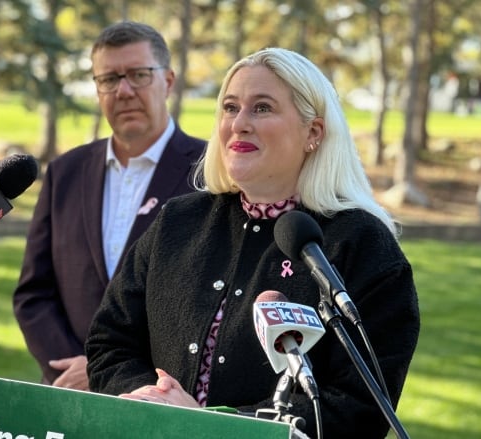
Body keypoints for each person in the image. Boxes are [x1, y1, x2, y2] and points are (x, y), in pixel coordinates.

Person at [85, 47, 420, 438]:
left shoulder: (362, 245)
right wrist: (151, 403)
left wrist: (212, 428)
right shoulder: (178, 222)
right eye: (230, 108)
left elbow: (359, 405)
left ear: (313, 132)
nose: (239, 123)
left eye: (262, 108)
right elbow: (110, 341)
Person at [12, 21, 206, 390]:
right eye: (109, 79)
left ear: (168, 80)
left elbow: (209, 307)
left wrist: (105, 370)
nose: (124, 90)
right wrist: (69, 369)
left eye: (139, 75)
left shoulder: (211, 173)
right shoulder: (65, 172)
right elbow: (34, 293)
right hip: (69, 393)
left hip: (161, 397)